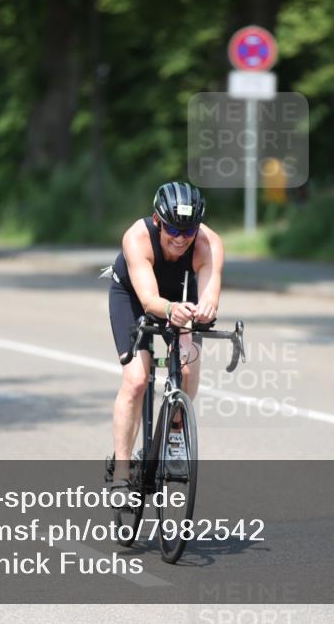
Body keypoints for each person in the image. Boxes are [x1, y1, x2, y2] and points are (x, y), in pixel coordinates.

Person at [106, 182, 224, 494]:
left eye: (189, 231)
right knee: (136, 380)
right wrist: (171, 310)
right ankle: (121, 472)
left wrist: (205, 309)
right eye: (173, 229)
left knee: (187, 369)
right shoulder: (137, 237)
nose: (181, 238)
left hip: (181, 295)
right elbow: (149, 301)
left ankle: (174, 433)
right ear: (158, 221)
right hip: (134, 297)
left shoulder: (209, 243)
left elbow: (209, 295)